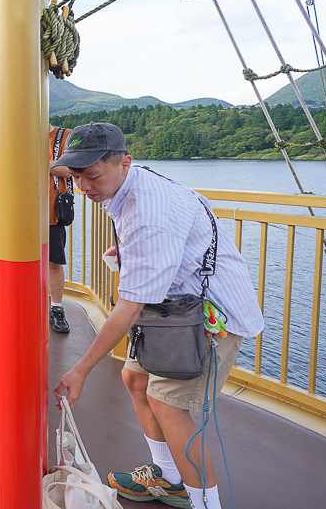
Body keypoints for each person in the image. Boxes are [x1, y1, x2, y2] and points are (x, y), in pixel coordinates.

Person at [51, 122, 262, 509]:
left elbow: (129, 305)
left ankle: (205, 504)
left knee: (168, 404)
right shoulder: (134, 180)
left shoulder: (149, 215)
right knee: (135, 378)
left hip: (207, 316)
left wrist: (80, 369)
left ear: (124, 163)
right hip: (172, 306)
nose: (83, 187)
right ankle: (168, 477)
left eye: (92, 176)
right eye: (76, 176)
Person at [49, 124, 73, 334]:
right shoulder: (14, 133)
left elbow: (71, 169)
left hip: (51, 212)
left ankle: (56, 307)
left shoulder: (63, 135)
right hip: (17, 215)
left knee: (54, 263)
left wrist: (38, 162)